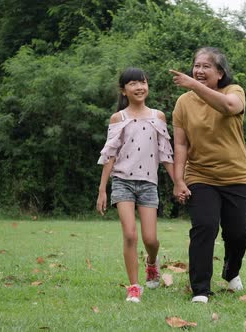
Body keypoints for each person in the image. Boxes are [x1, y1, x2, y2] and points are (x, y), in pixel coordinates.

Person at [170, 47, 246, 304]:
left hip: (237, 175)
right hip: (200, 175)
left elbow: (229, 107)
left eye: (206, 66)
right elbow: (181, 145)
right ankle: (200, 290)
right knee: (204, 227)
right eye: (196, 65)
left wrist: (194, 85)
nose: (199, 70)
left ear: (220, 73)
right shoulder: (183, 103)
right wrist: (178, 179)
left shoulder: (234, 91)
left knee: (238, 233)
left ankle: (231, 272)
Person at [96, 67, 175, 303]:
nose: (139, 87)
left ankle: (152, 262)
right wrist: (102, 190)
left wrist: (178, 182)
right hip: (122, 182)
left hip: (148, 184)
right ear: (124, 90)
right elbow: (110, 155)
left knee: (150, 239)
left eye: (142, 82)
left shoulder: (157, 117)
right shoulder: (118, 119)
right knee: (130, 235)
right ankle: (133, 287)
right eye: (132, 84)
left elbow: (165, 154)